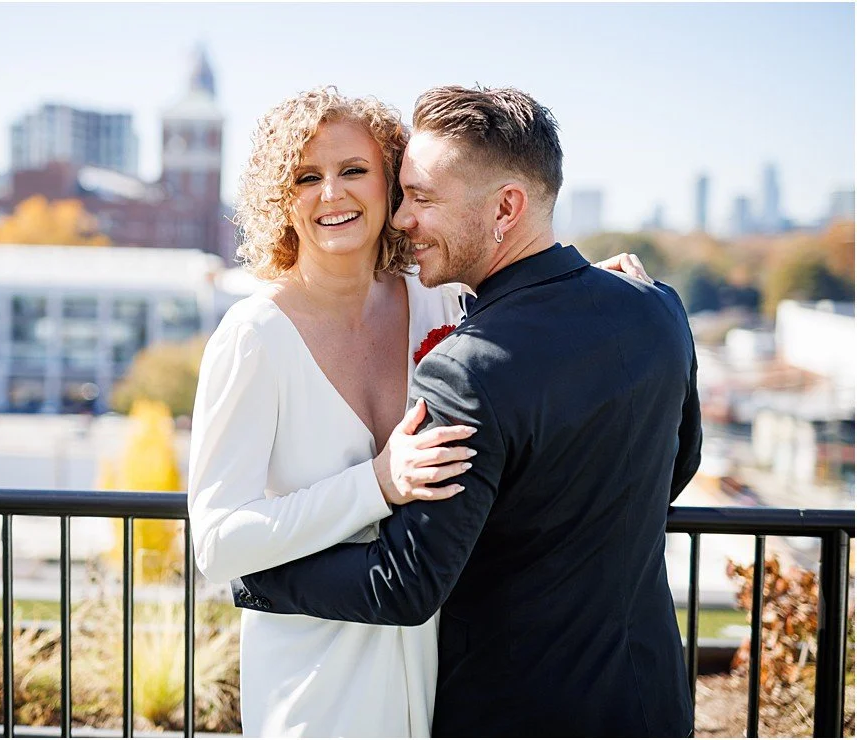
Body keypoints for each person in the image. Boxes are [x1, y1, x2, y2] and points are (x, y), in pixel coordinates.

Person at [228, 86, 701, 736]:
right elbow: (679, 466)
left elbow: (404, 582)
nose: (401, 219)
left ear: (507, 207)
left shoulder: (467, 367)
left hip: (514, 712)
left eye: (423, 199)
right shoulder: (655, 306)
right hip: (652, 703)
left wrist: (254, 578)